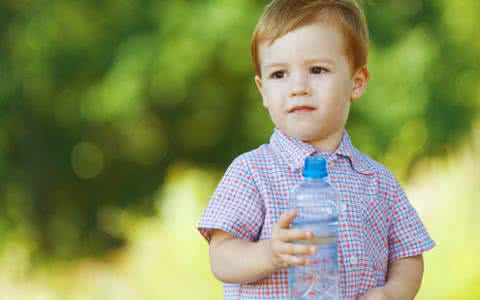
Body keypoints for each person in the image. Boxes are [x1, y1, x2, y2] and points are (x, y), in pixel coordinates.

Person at [197, 0, 436, 299]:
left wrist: (391, 294)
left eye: (317, 69)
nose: (298, 86)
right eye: (279, 74)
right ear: (263, 91)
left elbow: (408, 254)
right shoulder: (251, 172)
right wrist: (269, 253)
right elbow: (221, 256)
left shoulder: (377, 181)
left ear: (356, 82)